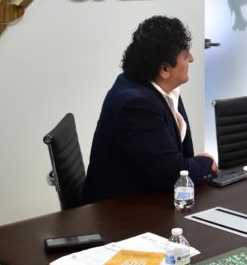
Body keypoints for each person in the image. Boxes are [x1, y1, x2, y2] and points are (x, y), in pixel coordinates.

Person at [82, 15, 216, 204]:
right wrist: (206, 163)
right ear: (164, 69)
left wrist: (190, 165)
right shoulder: (137, 106)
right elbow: (173, 175)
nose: (192, 59)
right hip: (119, 211)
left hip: (149, 198)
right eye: (185, 56)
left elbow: (179, 158)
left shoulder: (157, 87)